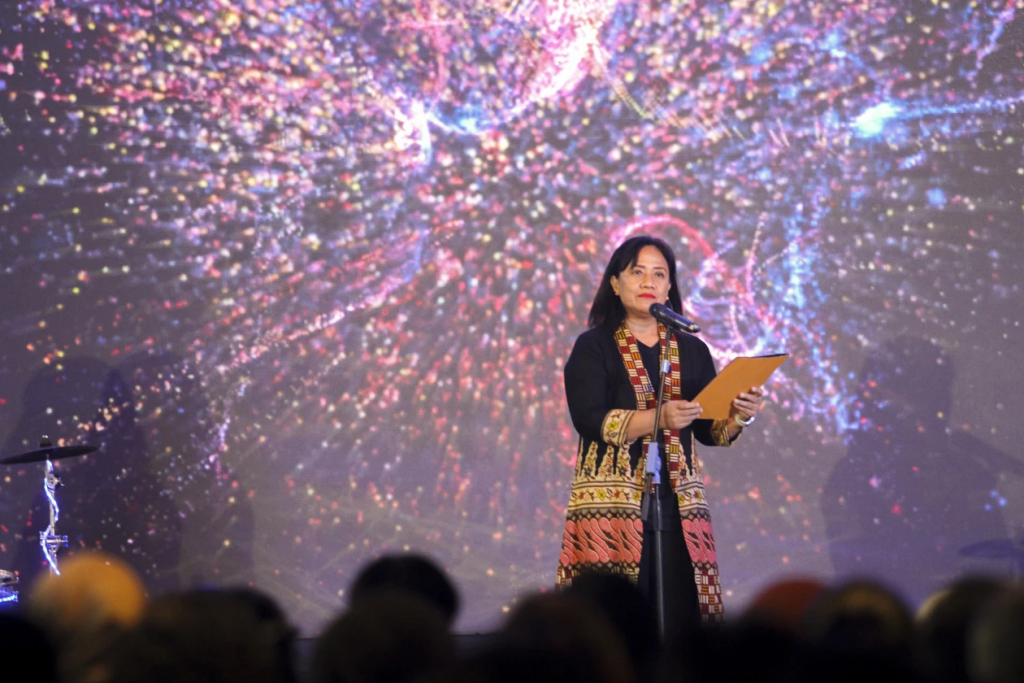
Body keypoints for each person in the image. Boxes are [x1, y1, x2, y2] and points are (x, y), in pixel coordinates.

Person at [555, 235, 763, 634]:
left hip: (679, 504)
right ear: (615, 283)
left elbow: (709, 431)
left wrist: (739, 415)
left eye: (659, 274)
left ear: (669, 288)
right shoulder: (593, 346)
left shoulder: (692, 350)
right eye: (637, 272)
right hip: (612, 505)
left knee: (683, 618)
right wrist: (658, 418)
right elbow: (589, 419)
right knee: (614, 625)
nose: (648, 281)